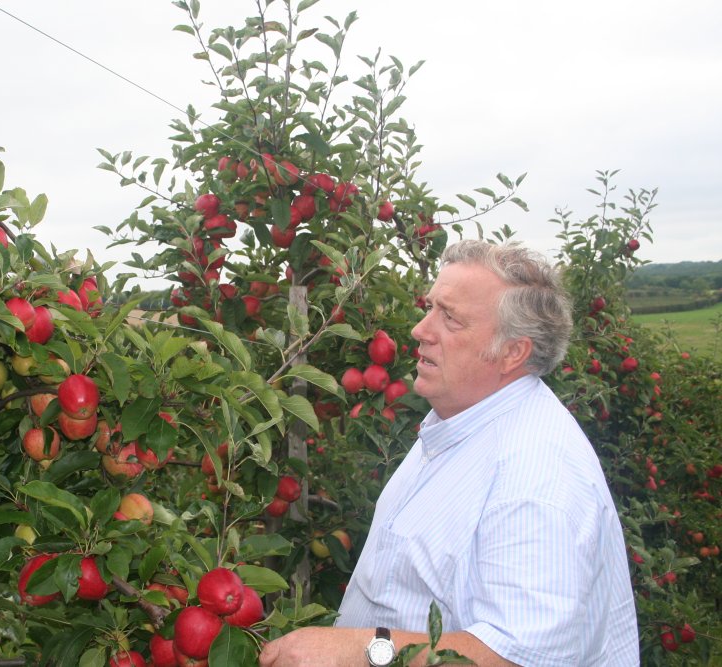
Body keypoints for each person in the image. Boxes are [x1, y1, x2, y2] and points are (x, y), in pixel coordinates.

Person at [258, 240, 639, 666]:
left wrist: (365, 650)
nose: (421, 329)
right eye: (430, 307)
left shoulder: (537, 476)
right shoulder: (460, 422)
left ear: (513, 352)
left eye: (451, 318)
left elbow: (521, 658)